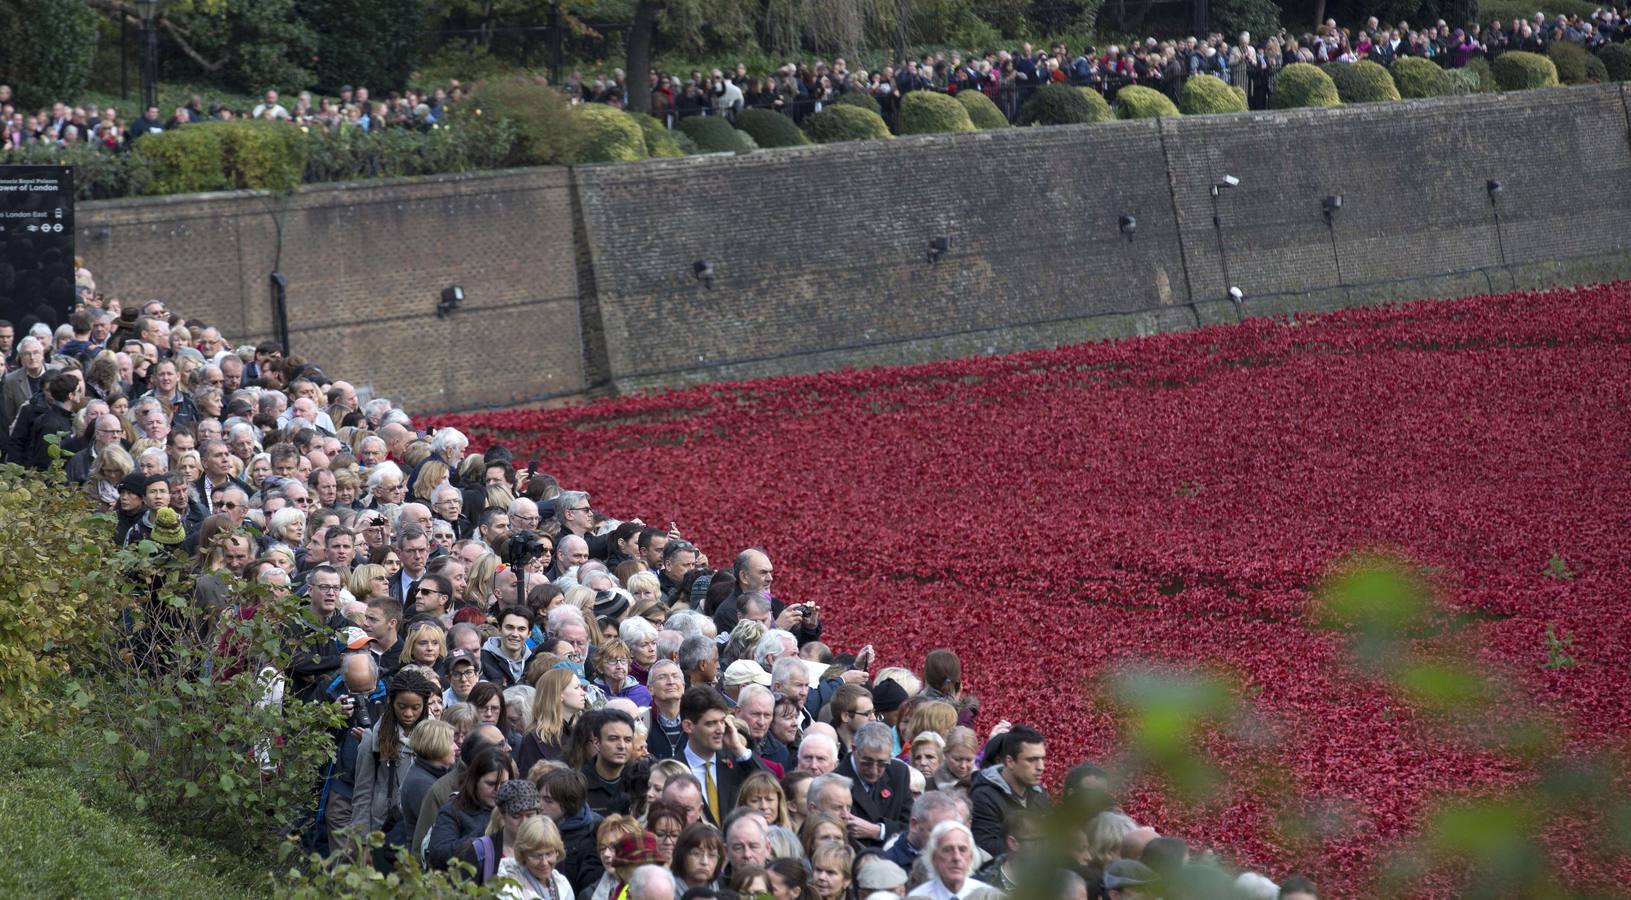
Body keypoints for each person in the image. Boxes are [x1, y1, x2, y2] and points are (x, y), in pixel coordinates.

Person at [349, 670, 437, 856]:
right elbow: (362, 794)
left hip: (424, 825)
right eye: (402, 706)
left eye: (416, 707)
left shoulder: (436, 738)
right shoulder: (374, 739)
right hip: (383, 826)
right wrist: (362, 843)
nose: (408, 713)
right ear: (391, 702)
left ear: (425, 705)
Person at [679, 685, 765, 826]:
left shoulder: (736, 762)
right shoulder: (675, 770)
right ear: (688, 726)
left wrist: (738, 749)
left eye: (722, 721)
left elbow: (771, 788)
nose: (720, 730)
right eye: (711, 723)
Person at [428, 747, 515, 869]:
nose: (498, 790)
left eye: (504, 784)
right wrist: (486, 837)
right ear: (475, 781)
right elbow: (439, 855)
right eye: (491, 784)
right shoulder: (453, 810)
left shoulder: (517, 811)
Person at [969, 725, 1048, 858]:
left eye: (1042, 758)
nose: (1041, 767)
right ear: (1010, 761)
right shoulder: (983, 796)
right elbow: (986, 847)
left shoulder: (1038, 792)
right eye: (1031, 760)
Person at [835, 721, 912, 847]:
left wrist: (879, 831)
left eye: (882, 763)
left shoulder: (899, 773)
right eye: (867, 762)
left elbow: (910, 826)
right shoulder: (835, 781)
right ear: (854, 749)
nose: (874, 770)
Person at [537, 766, 607, 895]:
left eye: (548, 800)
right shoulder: (536, 826)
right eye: (539, 798)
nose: (539, 805)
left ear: (569, 804)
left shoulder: (596, 832)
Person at [517, 668, 587, 775]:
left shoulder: (582, 733)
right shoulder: (534, 738)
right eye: (577, 688)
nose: (583, 693)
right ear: (559, 694)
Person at [497, 815, 575, 900]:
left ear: (557, 852)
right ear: (523, 854)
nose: (544, 863)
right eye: (536, 856)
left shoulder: (562, 883)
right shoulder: (509, 885)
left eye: (549, 854)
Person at [582, 708, 638, 816]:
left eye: (627, 740)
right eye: (613, 739)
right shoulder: (578, 785)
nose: (622, 746)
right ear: (597, 743)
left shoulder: (641, 781)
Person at [907, 822, 981, 900]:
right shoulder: (917, 897)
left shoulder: (987, 896)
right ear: (933, 857)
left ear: (971, 857)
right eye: (947, 850)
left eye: (962, 850)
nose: (956, 857)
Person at [483, 606, 537, 687]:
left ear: (529, 634)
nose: (515, 634)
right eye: (509, 627)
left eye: (521, 629)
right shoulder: (482, 660)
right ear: (500, 630)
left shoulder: (534, 663)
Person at [670, 821, 724, 892]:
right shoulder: (664, 888)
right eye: (696, 853)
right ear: (682, 854)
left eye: (712, 855)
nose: (704, 862)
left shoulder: (723, 888)